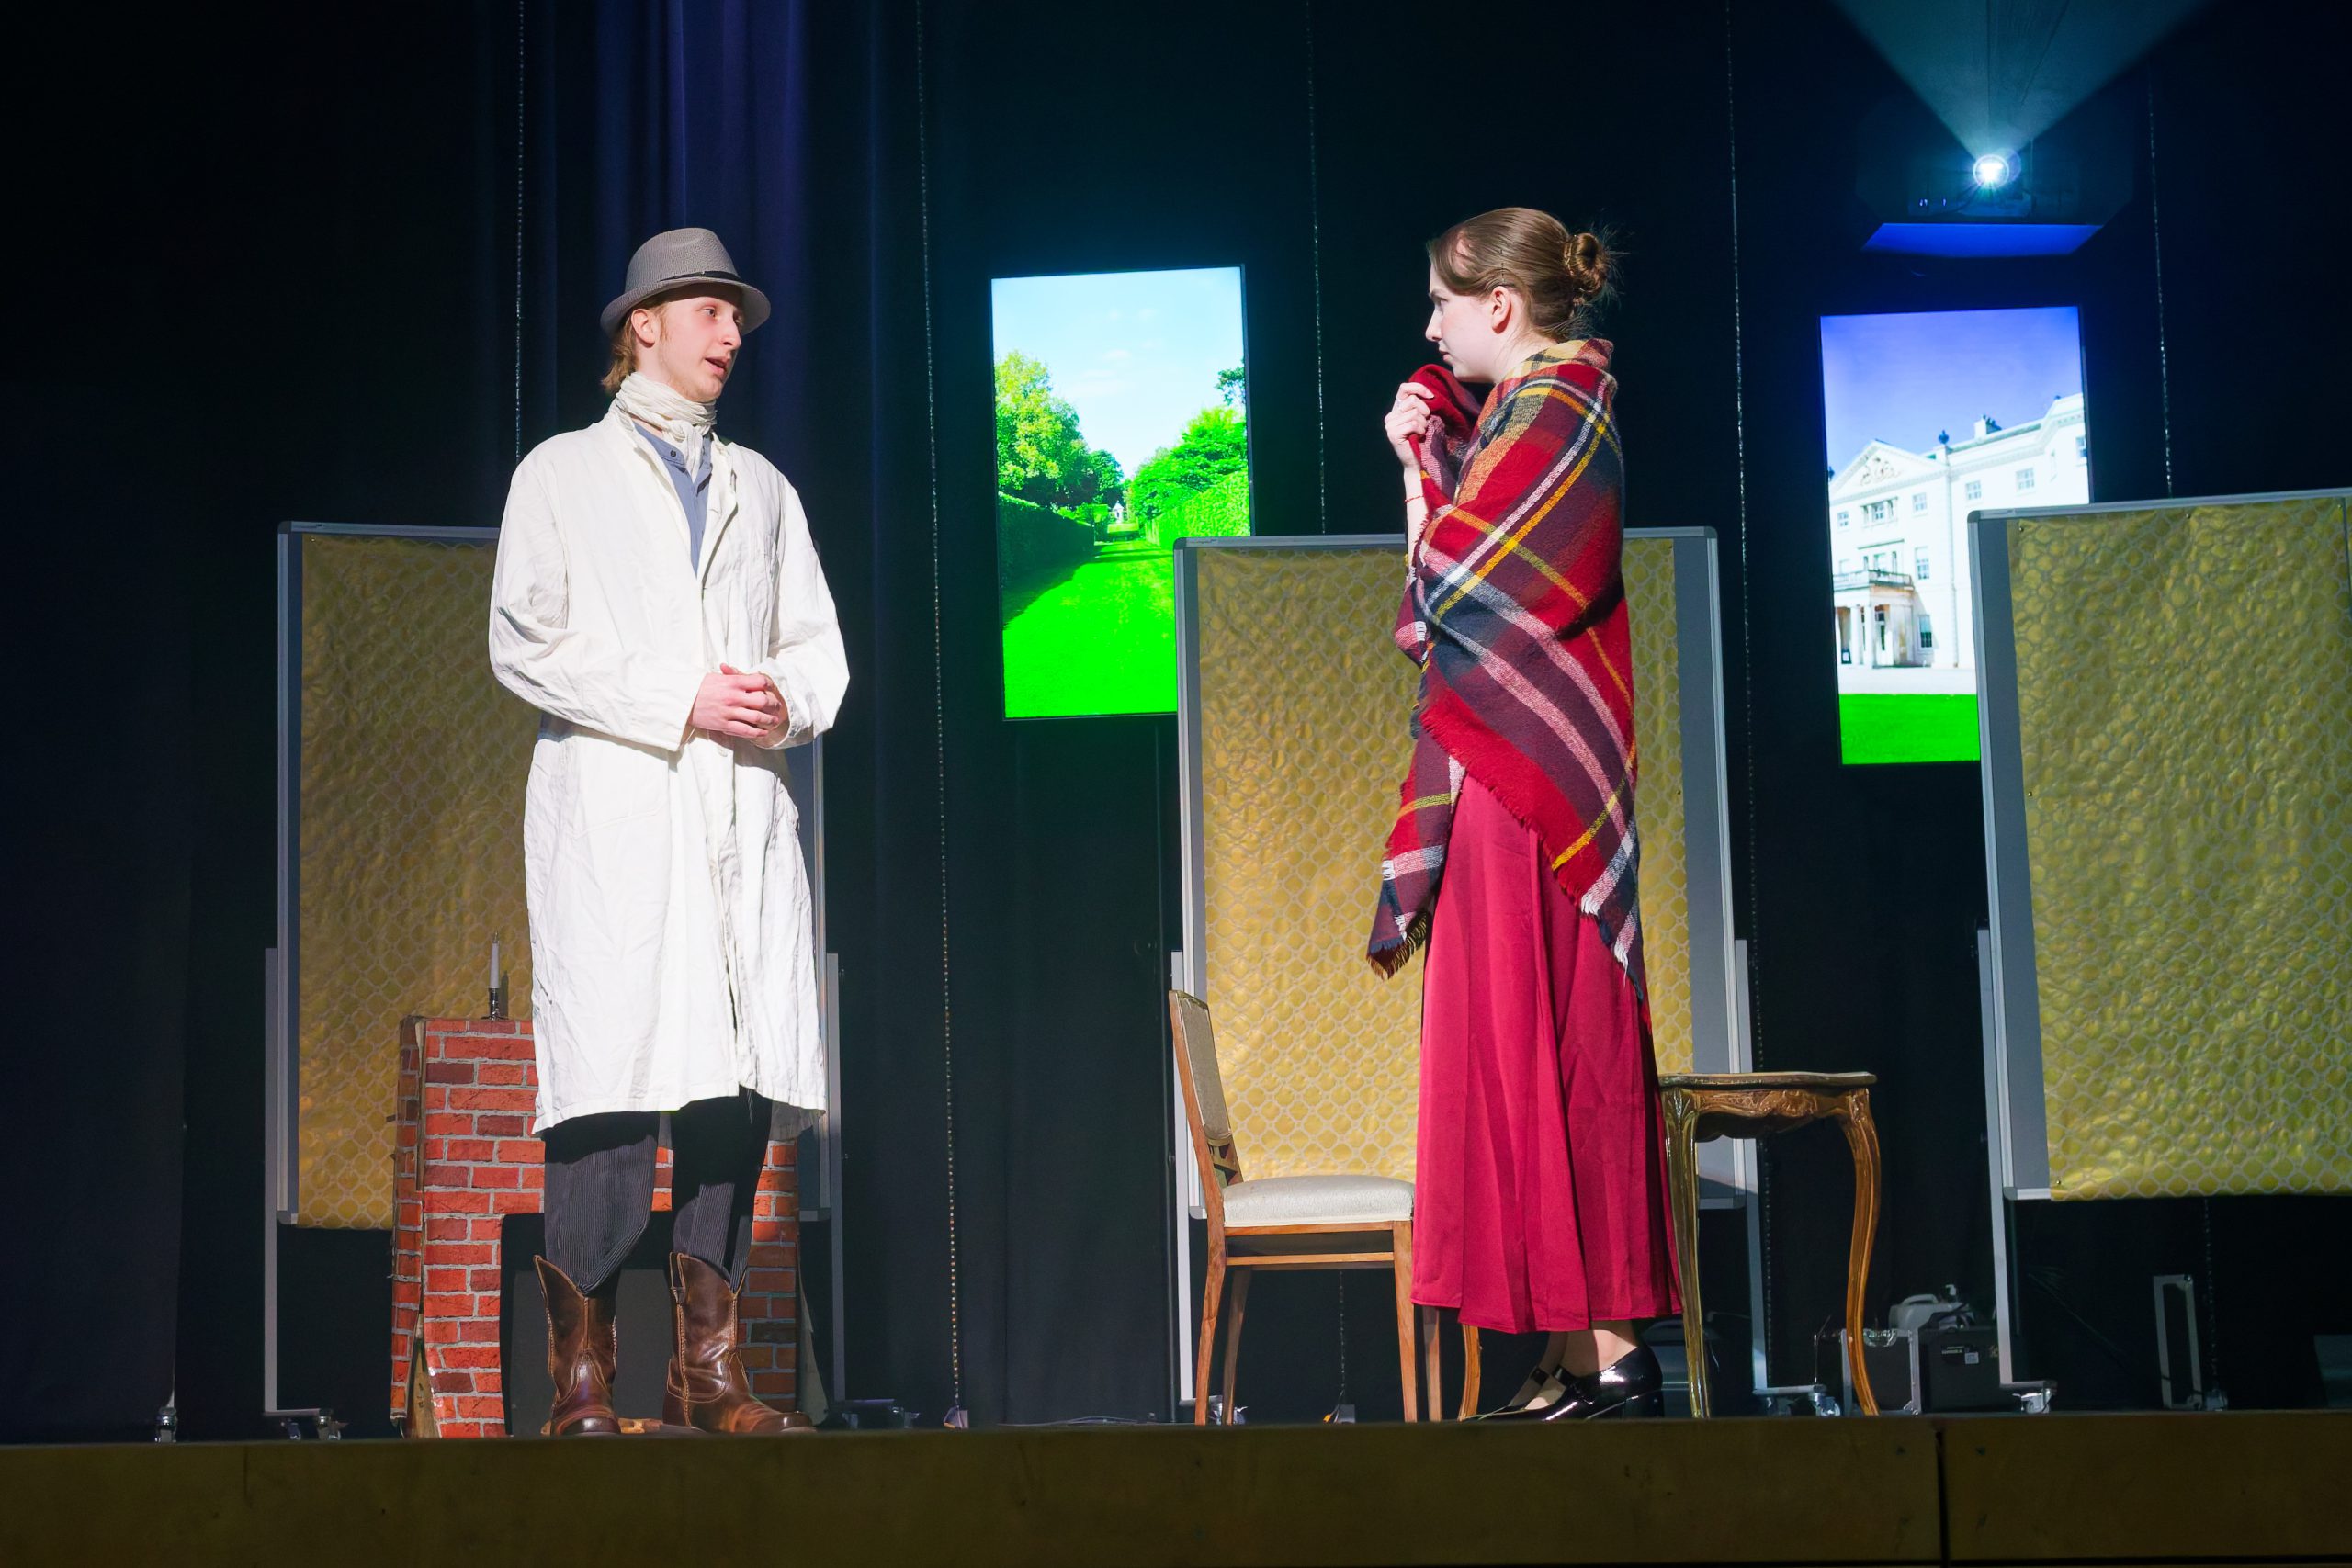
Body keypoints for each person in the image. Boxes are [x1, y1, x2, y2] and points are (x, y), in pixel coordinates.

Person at [488, 227, 848, 1437]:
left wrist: (782, 701)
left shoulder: (764, 490)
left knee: (729, 1092)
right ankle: (582, 1380)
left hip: (735, 816)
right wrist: (677, 696)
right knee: (609, 1087)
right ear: (643, 325)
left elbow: (817, 653)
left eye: (736, 316)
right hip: (620, 815)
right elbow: (522, 640)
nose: (731, 334)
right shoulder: (560, 476)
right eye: (709, 311)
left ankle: (710, 1374)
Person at [1367, 207, 1680, 1420]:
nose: (1430, 326)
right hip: (1511, 781)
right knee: (1521, 1050)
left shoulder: (1559, 411)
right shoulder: (1523, 414)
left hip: (1531, 791)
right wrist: (1431, 451)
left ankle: (1611, 1352)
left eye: (1442, 302)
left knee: (1547, 1043)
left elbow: (1450, 590)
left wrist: (1418, 472)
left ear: (1499, 304)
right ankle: (1569, 1350)